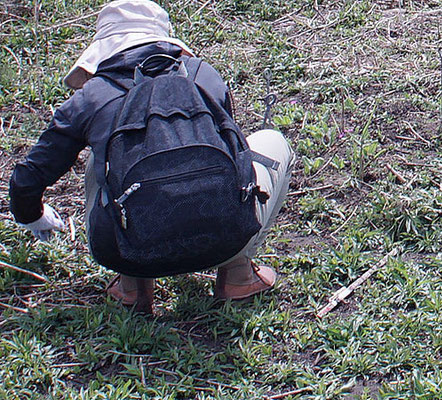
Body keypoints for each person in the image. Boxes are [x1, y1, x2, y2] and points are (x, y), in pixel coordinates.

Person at [9, 0, 294, 313]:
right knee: (271, 141)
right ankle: (238, 274)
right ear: (164, 39)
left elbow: (27, 180)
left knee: (100, 159)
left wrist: (34, 218)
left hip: (127, 249)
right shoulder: (205, 76)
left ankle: (132, 285)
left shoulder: (89, 98)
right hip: (227, 237)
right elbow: (235, 159)